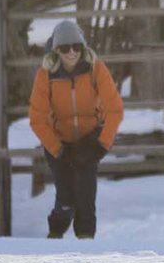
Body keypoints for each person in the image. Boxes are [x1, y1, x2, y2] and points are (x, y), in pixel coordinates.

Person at [28, 18, 124, 239]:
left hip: (88, 141)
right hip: (59, 142)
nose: (71, 53)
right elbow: (37, 118)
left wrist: (101, 145)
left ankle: (86, 246)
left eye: (76, 47)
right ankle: (54, 236)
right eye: (64, 48)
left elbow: (114, 108)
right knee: (67, 199)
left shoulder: (95, 68)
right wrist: (58, 150)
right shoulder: (46, 75)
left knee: (86, 200)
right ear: (56, 51)